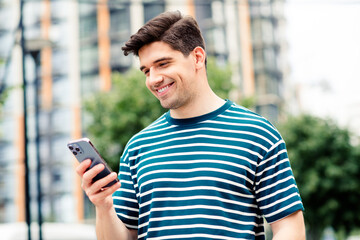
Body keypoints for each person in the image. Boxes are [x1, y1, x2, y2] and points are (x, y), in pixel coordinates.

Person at [76, 11, 306, 240]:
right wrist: (103, 206)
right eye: (146, 70)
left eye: (163, 64)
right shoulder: (138, 147)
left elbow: (289, 228)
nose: (153, 79)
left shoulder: (257, 134)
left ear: (197, 57)